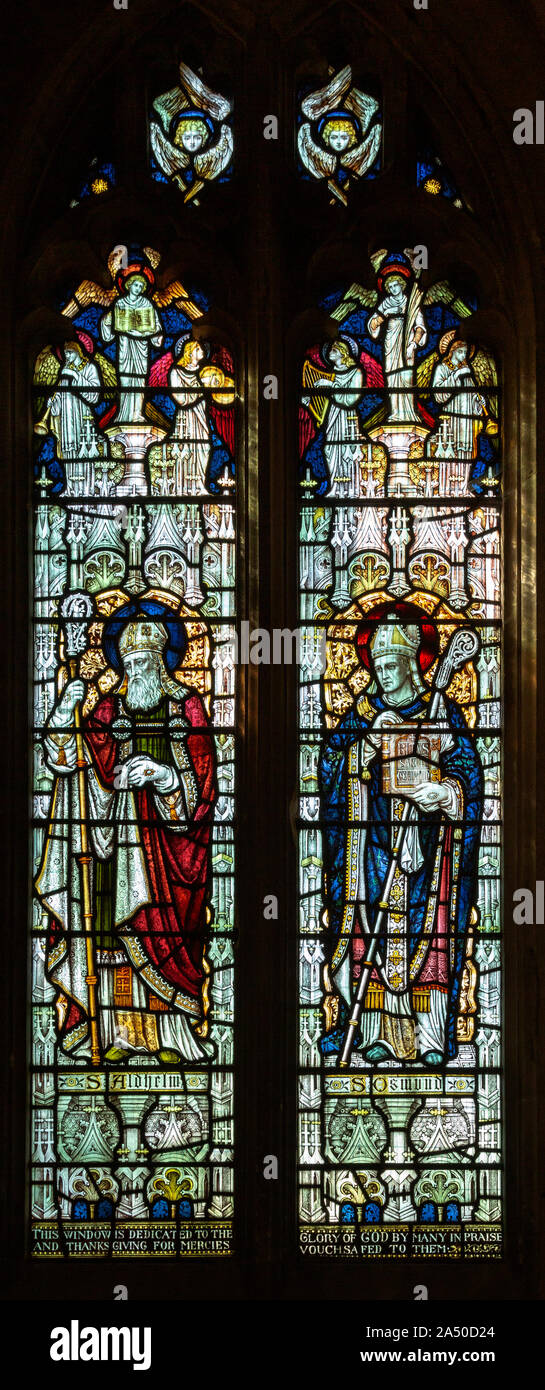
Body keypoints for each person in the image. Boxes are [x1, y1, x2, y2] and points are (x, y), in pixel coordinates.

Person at [35, 603, 216, 1065]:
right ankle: (112, 1031)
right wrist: (62, 711)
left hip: (169, 849)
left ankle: (173, 1034)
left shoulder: (186, 704)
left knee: (165, 935)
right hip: (115, 849)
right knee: (115, 937)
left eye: (144, 662)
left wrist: (164, 778)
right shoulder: (108, 708)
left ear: (162, 661)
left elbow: (204, 782)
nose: (135, 670)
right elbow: (70, 761)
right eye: (128, 662)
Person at [319, 602, 483, 1065]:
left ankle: (430, 1037)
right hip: (370, 847)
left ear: (413, 664)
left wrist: (445, 792)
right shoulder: (361, 715)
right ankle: (376, 1032)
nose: (384, 675)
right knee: (369, 930)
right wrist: (366, 747)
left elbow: (468, 771)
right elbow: (330, 767)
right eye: (378, 666)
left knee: (429, 932)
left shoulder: (442, 712)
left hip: (428, 851)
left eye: (392, 665)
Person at [368, 261, 427, 425]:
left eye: (396, 285)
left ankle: (408, 413)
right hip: (391, 340)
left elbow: (420, 326)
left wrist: (414, 344)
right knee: (392, 376)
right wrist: (384, 315)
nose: (394, 289)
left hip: (407, 341)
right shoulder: (385, 303)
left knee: (406, 375)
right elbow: (372, 325)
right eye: (390, 287)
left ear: (401, 286)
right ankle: (394, 412)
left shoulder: (412, 302)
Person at [101, 273, 163, 425]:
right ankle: (123, 414)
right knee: (126, 380)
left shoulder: (147, 305)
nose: (138, 288)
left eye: (141, 286)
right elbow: (107, 334)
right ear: (129, 285)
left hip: (141, 348)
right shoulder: (120, 303)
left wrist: (155, 334)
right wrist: (107, 321)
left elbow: (157, 329)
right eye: (136, 285)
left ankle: (137, 414)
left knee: (140, 381)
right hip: (125, 346)